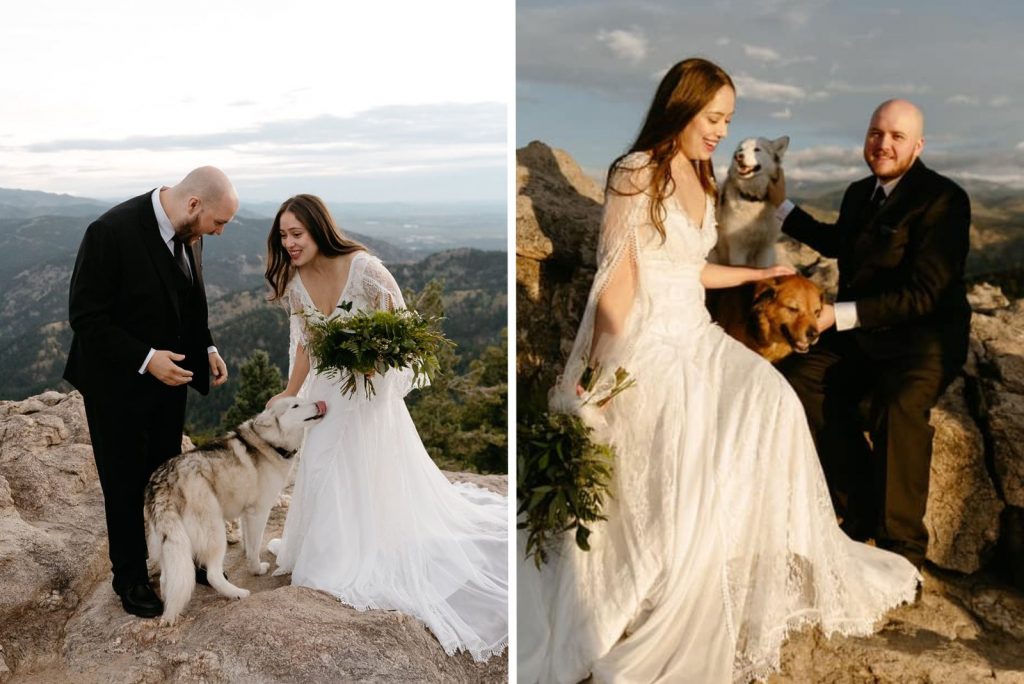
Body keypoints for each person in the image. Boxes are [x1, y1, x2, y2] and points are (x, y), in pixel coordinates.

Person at [517, 59, 921, 683]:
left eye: (727, 121)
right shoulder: (634, 173)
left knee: (773, 399)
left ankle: (734, 546)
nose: (720, 132)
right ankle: (670, 564)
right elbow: (621, 283)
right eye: (712, 118)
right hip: (645, 340)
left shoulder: (699, 173)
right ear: (680, 109)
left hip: (696, 331)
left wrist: (754, 275)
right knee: (680, 446)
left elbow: (689, 268)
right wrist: (595, 374)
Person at [262, 194, 507, 661]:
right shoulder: (295, 282)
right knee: (319, 461)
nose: (289, 244)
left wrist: (374, 363)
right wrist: (290, 391)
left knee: (362, 461)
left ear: (319, 229)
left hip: (370, 389)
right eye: (283, 236)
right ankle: (326, 546)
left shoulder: (366, 269)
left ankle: (360, 549)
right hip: (324, 388)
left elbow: (403, 333)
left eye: (297, 234)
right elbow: (305, 345)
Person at [772, 99, 971, 568]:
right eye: (876, 133)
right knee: (798, 377)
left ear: (917, 145)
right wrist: (777, 204)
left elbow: (925, 294)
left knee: (897, 407)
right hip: (864, 333)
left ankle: (903, 553)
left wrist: (837, 315)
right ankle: (857, 511)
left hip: (925, 340)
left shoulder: (944, 200)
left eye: (897, 137)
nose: (883, 144)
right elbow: (840, 242)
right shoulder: (859, 193)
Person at [64, 166, 237, 617]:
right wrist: (146, 359)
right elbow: (86, 318)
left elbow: (189, 303)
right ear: (194, 205)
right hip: (116, 386)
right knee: (124, 484)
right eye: (217, 223)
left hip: (170, 384)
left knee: (169, 481)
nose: (218, 234)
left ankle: (180, 558)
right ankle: (131, 577)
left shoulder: (189, 232)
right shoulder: (109, 232)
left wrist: (207, 348)